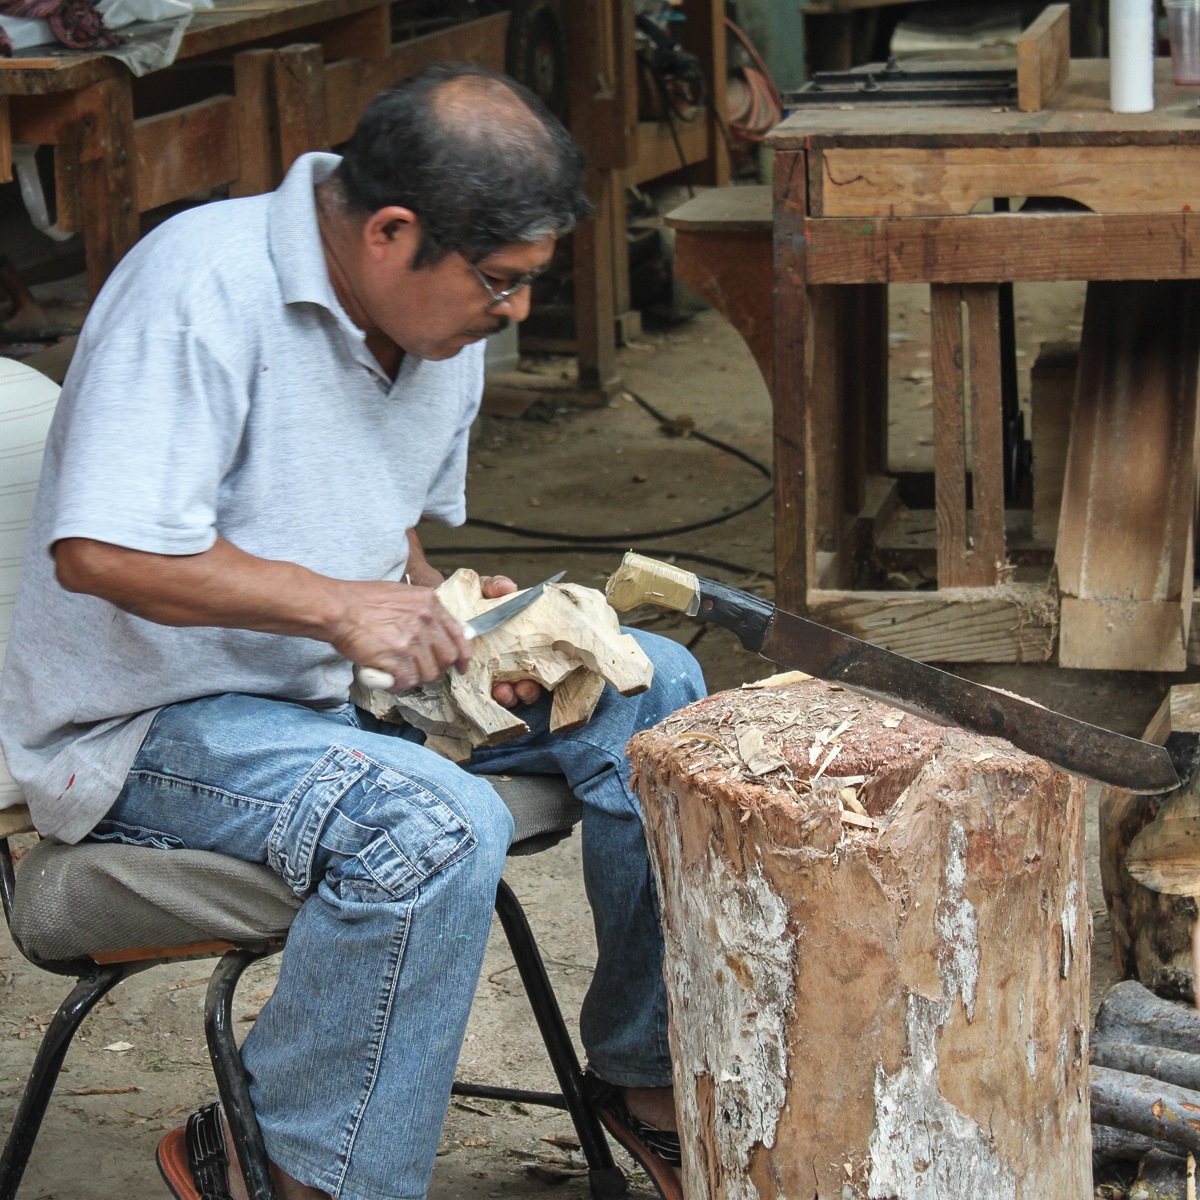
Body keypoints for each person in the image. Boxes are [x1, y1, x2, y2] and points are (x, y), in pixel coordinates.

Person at [0, 64, 705, 1200]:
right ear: (391, 232)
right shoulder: (198, 289)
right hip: (149, 727)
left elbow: (385, 538)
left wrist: (450, 610)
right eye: (502, 282)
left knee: (653, 690)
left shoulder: (438, 321)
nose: (515, 310)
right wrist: (341, 605)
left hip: (338, 691)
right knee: (434, 823)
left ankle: (645, 1071)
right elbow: (99, 552)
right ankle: (275, 1162)